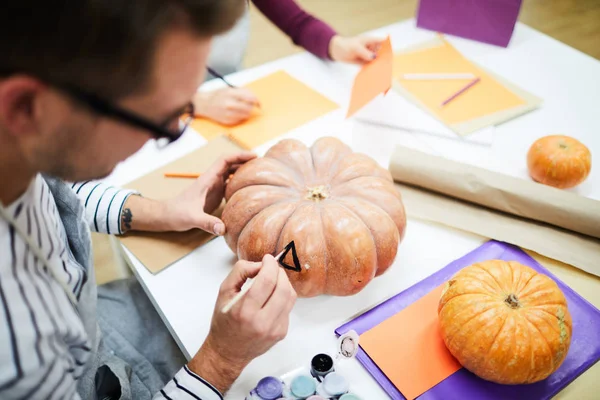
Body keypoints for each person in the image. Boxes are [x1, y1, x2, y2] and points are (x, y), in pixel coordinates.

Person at [0, 1, 297, 399]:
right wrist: (221, 361)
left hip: (95, 321)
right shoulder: (17, 357)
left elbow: (56, 187)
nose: (173, 129)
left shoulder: (21, 142)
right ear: (25, 107)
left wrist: (159, 212)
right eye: (161, 121)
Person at [194, 0, 384, 126]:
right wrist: (196, 102)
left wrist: (337, 45)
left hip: (227, 91)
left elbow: (297, 22)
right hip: (172, 110)